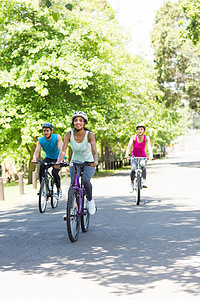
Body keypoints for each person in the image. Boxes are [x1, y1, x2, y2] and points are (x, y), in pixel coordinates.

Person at [55, 111, 98, 215]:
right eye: (75, 120)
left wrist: (95, 161)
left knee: (85, 180)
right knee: (72, 184)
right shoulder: (68, 134)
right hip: (75, 162)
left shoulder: (89, 135)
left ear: (84, 123)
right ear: (73, 122)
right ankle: (70, 209)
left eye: (80, 120)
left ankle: (90, 200)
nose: (78, 122)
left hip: (89, 162)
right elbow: (63, 151)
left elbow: (94, 151)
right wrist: (58, 162)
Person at [32, 122, 63, 199]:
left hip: (58, 157)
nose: (45, 132)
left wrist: (60, 161)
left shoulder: (57, 137)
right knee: (42, 167)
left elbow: (61, 149)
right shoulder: (41, 140)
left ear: (51, 131)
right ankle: (43, 188)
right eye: (44, 131)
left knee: (54, 172)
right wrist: (34, 158)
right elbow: (37, 151)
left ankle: (59, 189)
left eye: (47, 131)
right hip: (48, 157)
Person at [125, 123, 153, 192]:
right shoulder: (133, 137)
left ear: (144, 130)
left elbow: (149, 146)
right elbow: (129, 146)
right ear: (137, 130)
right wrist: (126, 154)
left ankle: (144, 181)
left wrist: (151, 155)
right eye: (139, 129)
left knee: (143, 165)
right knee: (133, 169)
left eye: (141, 129)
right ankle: (131, 183)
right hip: (134, 156)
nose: (140, 131)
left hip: (143, 156)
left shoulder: (146, 138)